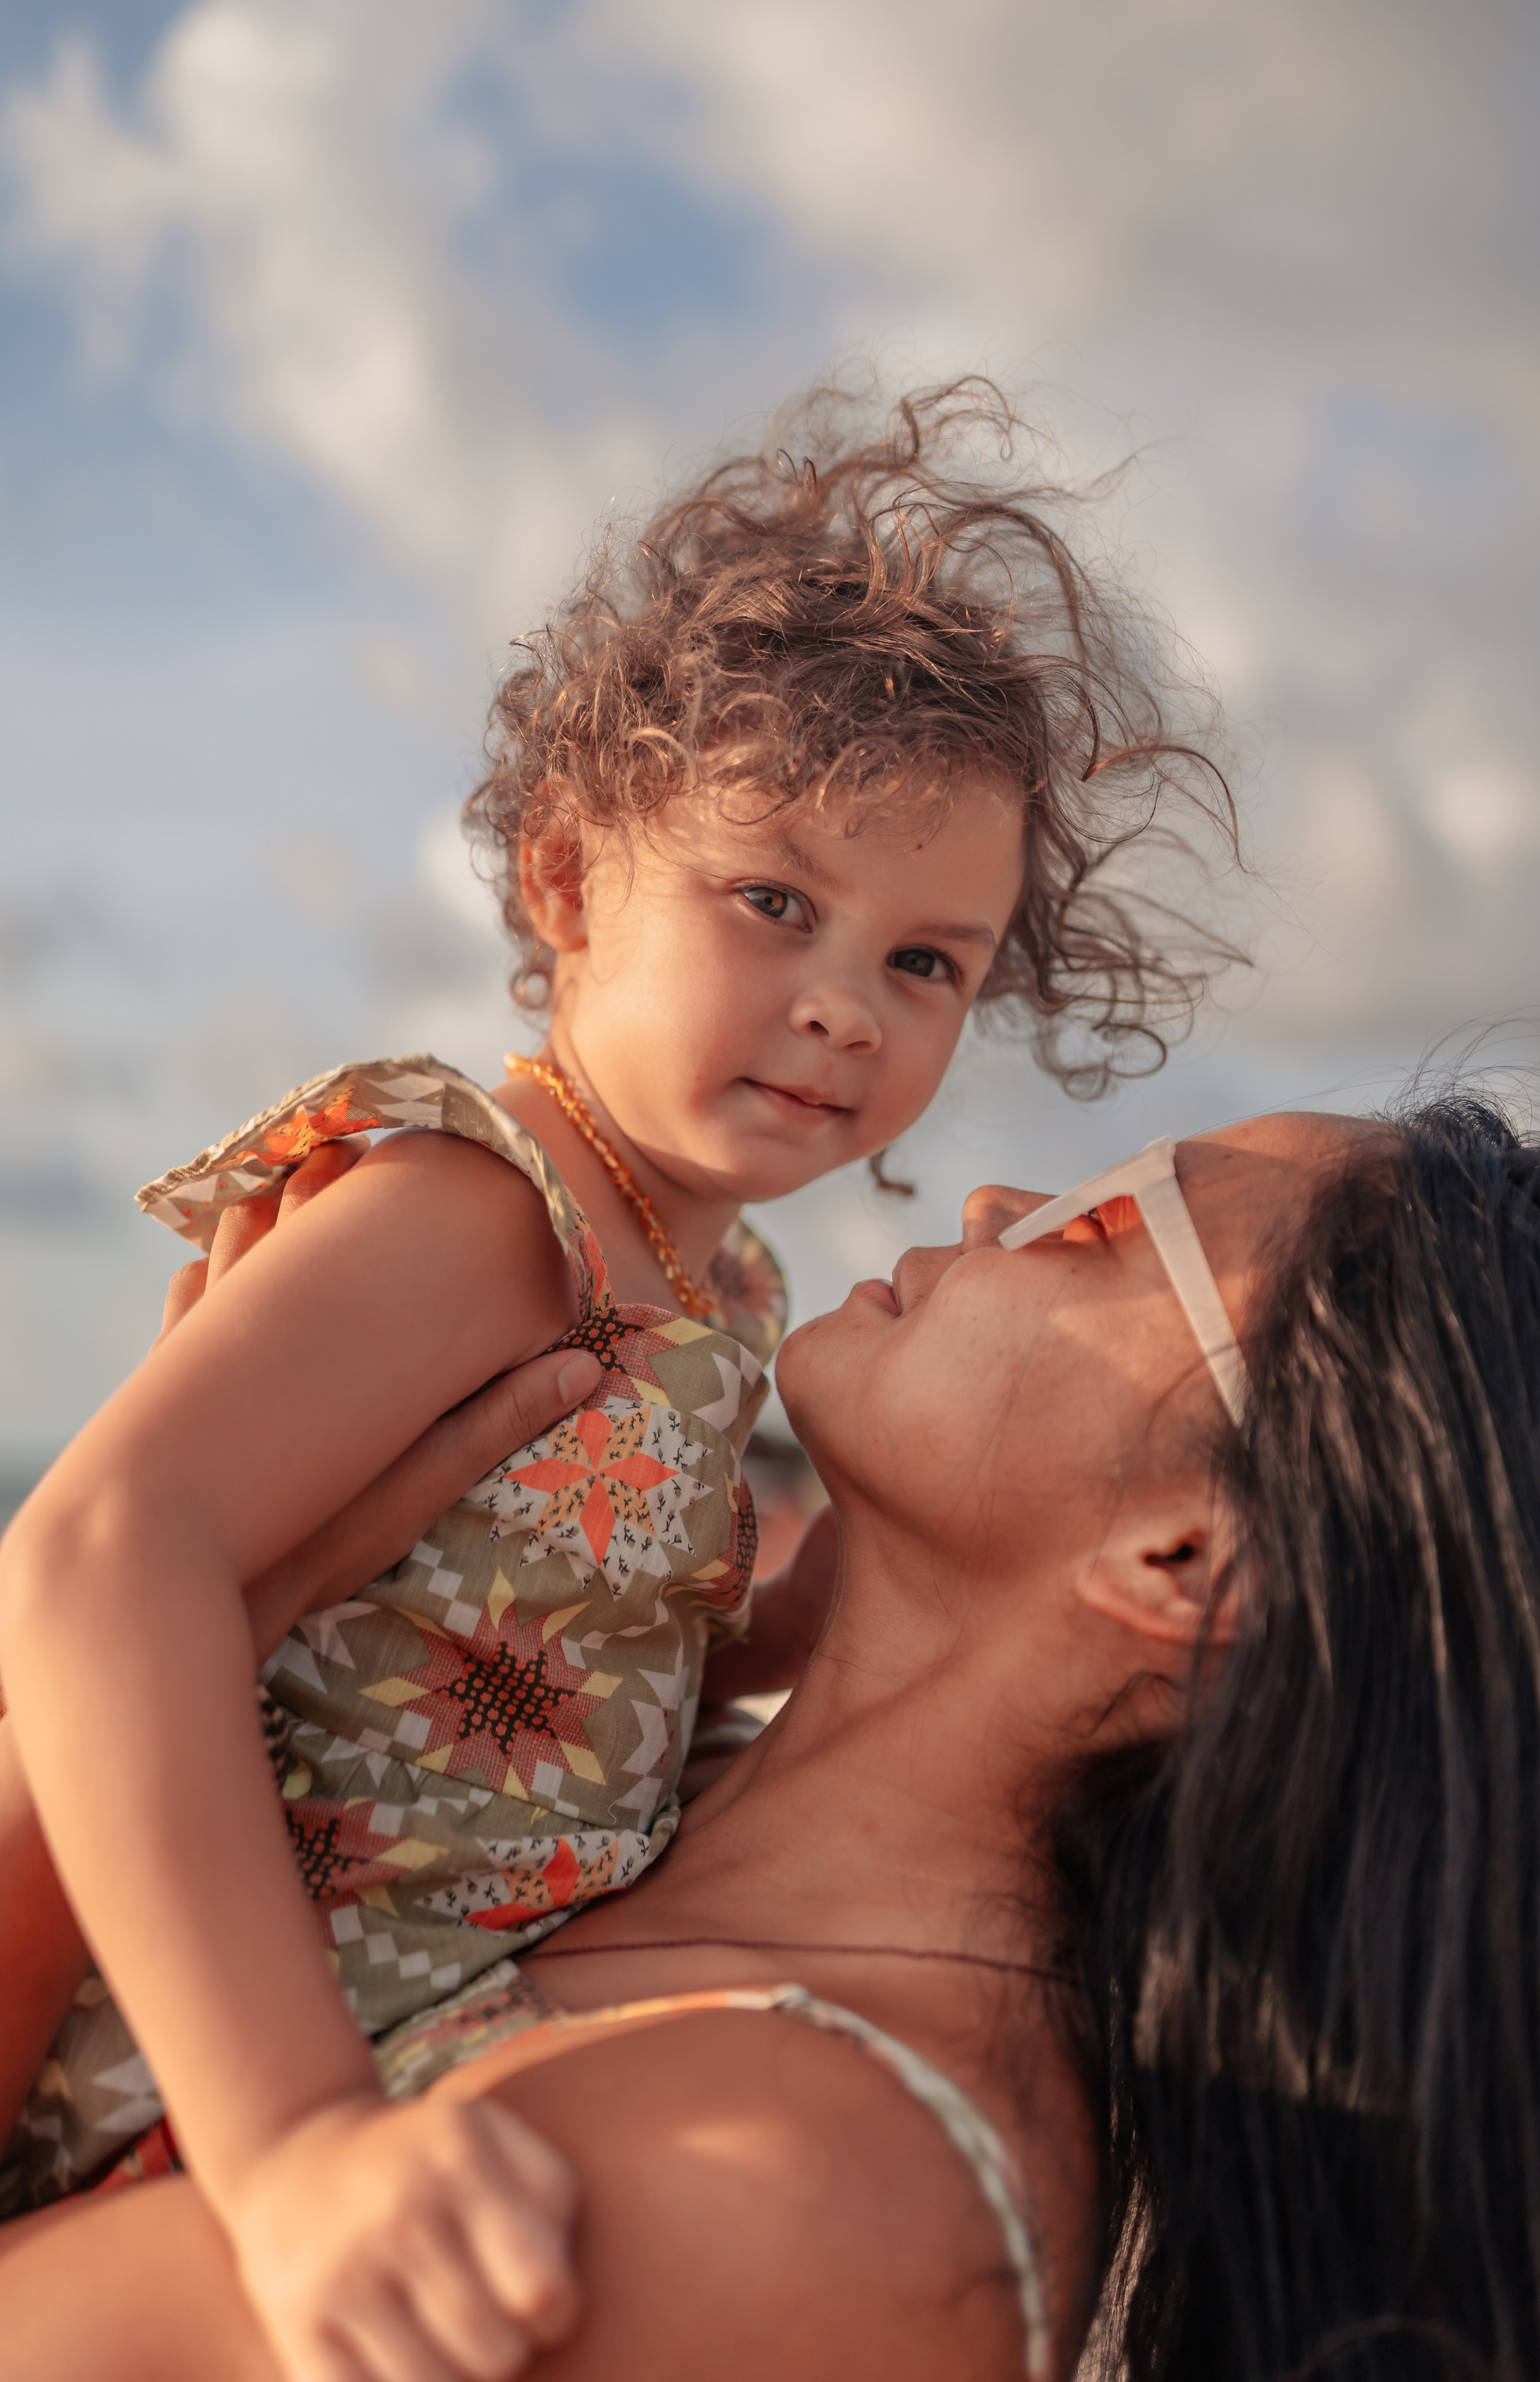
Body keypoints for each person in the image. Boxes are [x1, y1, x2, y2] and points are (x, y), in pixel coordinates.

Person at [0, 378, 1233, 2377]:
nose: (846, 1007)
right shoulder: (484, 1209)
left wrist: (797, 1627)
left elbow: (551, 1630)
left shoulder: (713, 1274)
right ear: (569, 883)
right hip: (214, 2043)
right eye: (776, 905)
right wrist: (297, 2137)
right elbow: (95, 1559)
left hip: (403, 2024)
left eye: (929, 965)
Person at [6, 1093, 1535, 2382]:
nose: (1002, 1196)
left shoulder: (804, 2193)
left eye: (1113, 1221)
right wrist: (239, 1641)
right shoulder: (571, 1811)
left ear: (1186, 1562)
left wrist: (219, 1596)